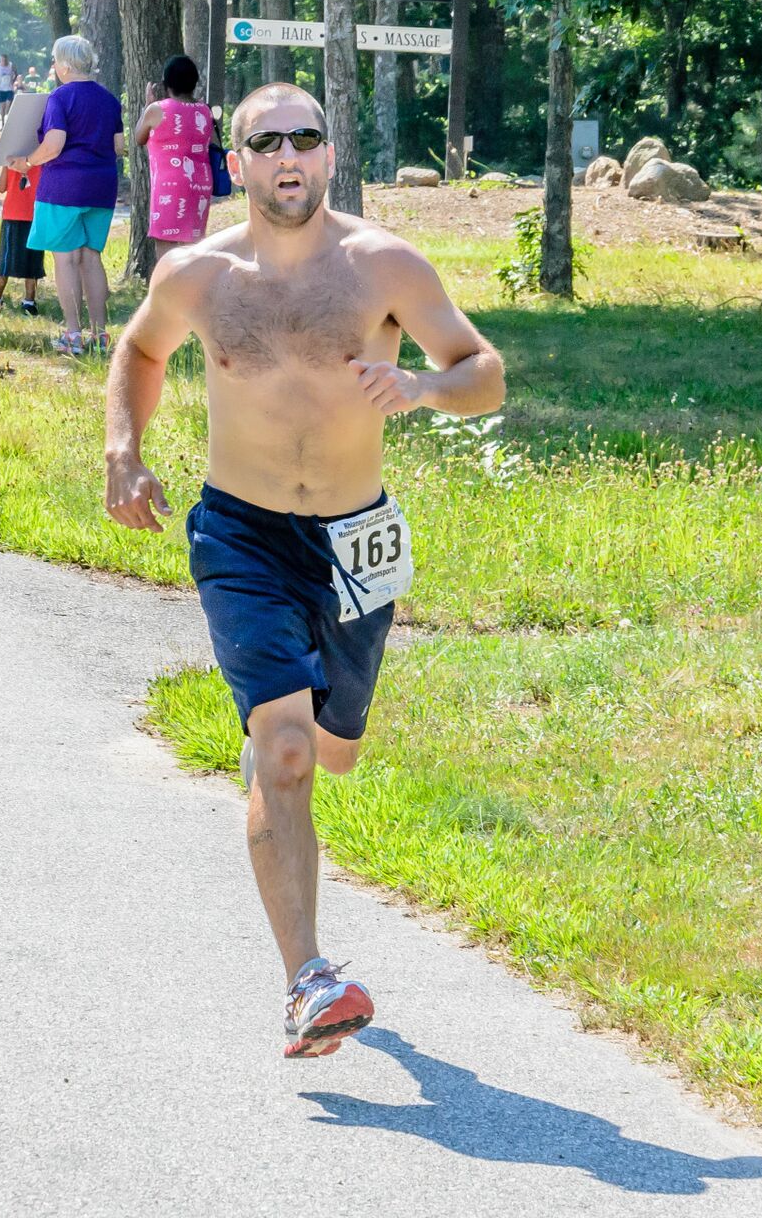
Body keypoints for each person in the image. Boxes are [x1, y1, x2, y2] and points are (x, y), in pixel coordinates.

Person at [103, 82, 505, 1057]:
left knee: (335, 749)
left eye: (307, 139)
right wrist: (123, 444)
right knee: (284, 753)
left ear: (329, 155)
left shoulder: (384, 266)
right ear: (235, 162)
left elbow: (483, 372)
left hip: (359, 538)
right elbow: (139, 352)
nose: (289, 155)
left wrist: (419, 384)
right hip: (240, 534)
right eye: (267, 141)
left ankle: (287, 751)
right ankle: (309, 980)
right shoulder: (197, 275)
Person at [6, 35, 123, 357]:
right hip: (102, 186)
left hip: (64, 186)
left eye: (55, 61)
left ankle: (73, 334)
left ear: (66, 65)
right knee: (91, 258)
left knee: (67, 259)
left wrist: (27, 162)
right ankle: (100, 335)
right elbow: (118, 147)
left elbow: (54, 144)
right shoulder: (109, 99)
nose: (54, 66)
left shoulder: (60, 97)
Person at [133, 54, 214, 264]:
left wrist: (147, 106)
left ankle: (167, 292)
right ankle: (192, 293)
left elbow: (138, 137)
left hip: (170, 184)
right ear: (194, 82)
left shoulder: (157, 109)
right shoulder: (205, 110)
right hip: (200, 183)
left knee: (166, 243)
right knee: (193, 246)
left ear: (166, 82)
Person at [0, 162, 44, 315]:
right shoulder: (42, 160)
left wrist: (5, 166)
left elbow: (1, 188)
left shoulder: (11, 160)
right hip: (34, 214)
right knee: (33, 261)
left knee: (5, 260)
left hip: (12, 213)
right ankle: (29, 301)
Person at [0, 54, 17, 123]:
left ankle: (7, 114)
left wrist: (13, 81)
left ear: (7, 59)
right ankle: (3, 122)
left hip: (9, 88)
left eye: (5, 60)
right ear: (0, 60)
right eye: (2, 60)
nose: (3, 61)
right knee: (2, 106)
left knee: (8, 103)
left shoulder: (11, 65)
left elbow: (16, 73)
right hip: (0, 88)